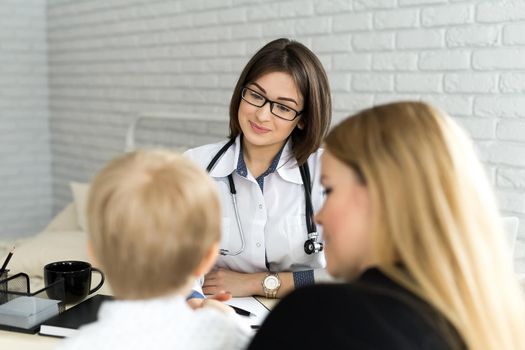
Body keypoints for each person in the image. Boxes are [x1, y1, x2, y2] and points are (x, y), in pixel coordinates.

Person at [248, 101, 525, 349]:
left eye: (329, 190)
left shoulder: (321, 315)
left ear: (383, 196)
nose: (317, 217)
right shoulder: (496, 320)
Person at [57, 150, 250, 350]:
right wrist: (224, 317)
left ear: (94, 254)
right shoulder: (228, 335)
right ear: (208, 257)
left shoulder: (76, 345)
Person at [184, 38, 332, 299]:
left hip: (304, 311)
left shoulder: (328, 172)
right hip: (221, 309)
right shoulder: (194, 167)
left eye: (284, 107)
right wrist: (195, 303)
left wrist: (258, 283)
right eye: (256, 95)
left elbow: (346, 273)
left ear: (303, 120)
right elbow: (172, 258)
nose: (262, 115)